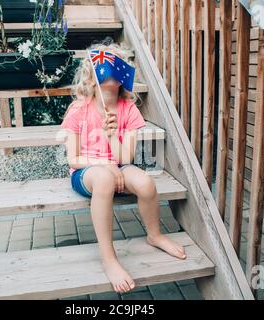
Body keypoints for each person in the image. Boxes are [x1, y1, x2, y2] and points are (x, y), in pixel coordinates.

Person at [60, 40, 186, 294]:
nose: (110, 71)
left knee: (146, 183)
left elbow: (124, 156)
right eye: (103, 66)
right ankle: (109, 258)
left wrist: (110, 135)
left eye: (116, 66)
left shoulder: (128, 110)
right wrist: (104, 163)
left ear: (122, 78)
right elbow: (73, 159)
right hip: (86, 172)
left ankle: (155, 234)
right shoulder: (78, 110)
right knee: (104, 180)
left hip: (118, 167)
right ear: (92, 76)